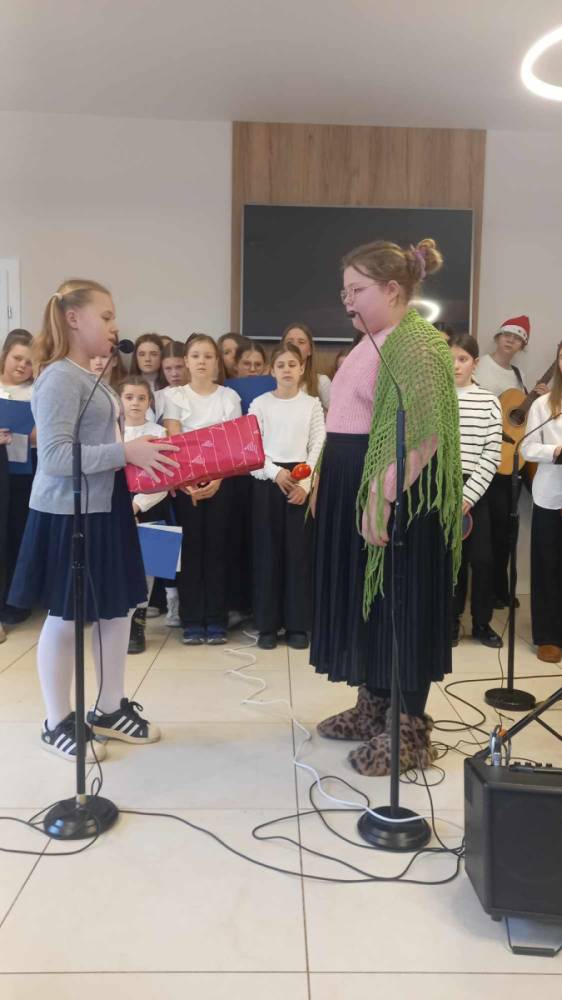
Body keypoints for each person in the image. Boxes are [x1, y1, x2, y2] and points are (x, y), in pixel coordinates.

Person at [8, 280, 178, 761]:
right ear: (73, 319)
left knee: (117, 610)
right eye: (105, 316)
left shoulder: (91, 376)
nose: (114, 326)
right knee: (65, 619)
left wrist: (144, 458)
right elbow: (56, 457)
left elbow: (100, 447)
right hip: (70, 513)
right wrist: (126, 452)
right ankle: (56, 720)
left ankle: (108, 708)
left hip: (104, 506)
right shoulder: (59, 378)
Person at [310, 239, 462, 776]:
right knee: (370, 602)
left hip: (398, 496)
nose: (347, 301)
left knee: (402, 602)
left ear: (393, 289)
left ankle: (408, 731)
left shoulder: (417, 344)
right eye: (344, 291)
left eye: (357, 290)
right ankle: (374, 707)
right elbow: (347, 420)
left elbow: (425, 431)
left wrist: (382, 493)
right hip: (356, 482)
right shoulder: (372, 340)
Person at [164, 334, 242, 644]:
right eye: (195, 355)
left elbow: (233, 443)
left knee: (218, 550)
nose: (201, 361)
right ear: (186, 360)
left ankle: (216, 620)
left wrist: (217, 479)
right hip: (186, 485)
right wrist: (187, 481)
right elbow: (174, 440)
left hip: (221, 482)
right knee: (191, 550)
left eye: (208, 356)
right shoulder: (175, 396)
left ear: (216, 362)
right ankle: (192, 620)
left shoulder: (228, 397)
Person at [249, 344, 325, 650]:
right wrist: (275, 472)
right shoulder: (260, 404)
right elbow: (252, 446)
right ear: (272, 370)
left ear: (302, 368)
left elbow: (319, 443)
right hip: (268, 480)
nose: (287, 370)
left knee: (298, 554)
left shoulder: (312, 404)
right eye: (280, 365)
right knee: (267, 554)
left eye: (292, 364)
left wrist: (305, 484)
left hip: (300, 480)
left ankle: (297, 625)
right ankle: (267, 625)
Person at [476, 316, 549, 608]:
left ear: (522, 345)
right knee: (485, 532)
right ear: (497, 337)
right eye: (506, 334)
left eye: (517, 338)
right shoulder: (479, 365)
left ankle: (500, 588)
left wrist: (538, 399)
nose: (510, 340)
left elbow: (518, 417)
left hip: (510, 463)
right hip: (484, 459)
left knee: (506, 530)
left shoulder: (518, 374)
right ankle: (483, 594)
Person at [449, 334, 502, 648]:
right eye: (450, 359)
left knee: (482, 560)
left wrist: (469, 496)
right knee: (451, 559)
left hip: (477, 489)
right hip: (444, 487)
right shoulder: (437, 398)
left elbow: (492, 454)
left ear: (475, 363)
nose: (456, 366)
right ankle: (450, 619)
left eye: (463, 359)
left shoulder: (489, 401)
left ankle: (481, 622)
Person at [119, 376, 179, 649]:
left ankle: (138, 626)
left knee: (150, 565)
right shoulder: (112, 432)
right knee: (121, 565)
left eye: (141, 398)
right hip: (117, 505)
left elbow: (165, 479)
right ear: (119, 401)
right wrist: (124, 506)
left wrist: (136, 506)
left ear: (150, 402)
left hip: (151, 503)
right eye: (129, 397)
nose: (135, 403)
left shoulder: (158, 432)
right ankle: (118, 622)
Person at [521, 341, 562, 664]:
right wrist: (554, 451)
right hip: (551, 496)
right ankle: (548, 635)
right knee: (548, 565)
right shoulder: (544, 404)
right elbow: (527, 448)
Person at [0, 334, 35, 627]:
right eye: (17, 358)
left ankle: (14, 601)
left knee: (17, 534)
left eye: (29, 361)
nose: (22, 365)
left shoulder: (36, 392)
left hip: (23, 473)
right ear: (4, 355)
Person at [281, 323, 331, 411]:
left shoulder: (322, 382)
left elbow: (335, 415)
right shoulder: (273, 381)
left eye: (301, 342)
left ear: (310, 350)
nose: (295, 346)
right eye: (289, 342)